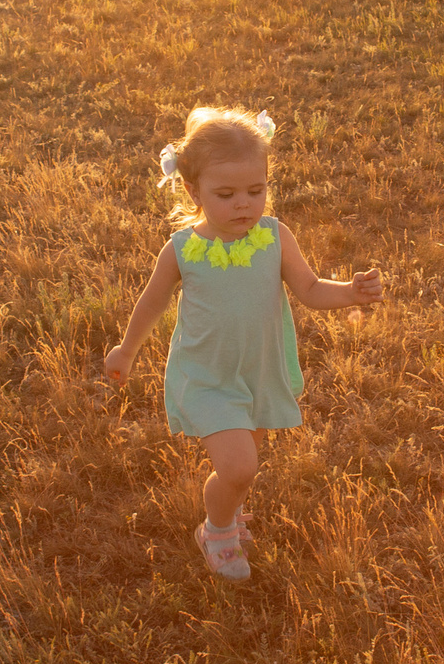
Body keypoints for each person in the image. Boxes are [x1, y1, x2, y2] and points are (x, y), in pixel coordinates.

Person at [102, 107, 384, 581]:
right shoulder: (181, 250)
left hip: (256, 372)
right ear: (194, 192)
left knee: (245, 464)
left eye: (256, 191)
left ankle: (228, 511)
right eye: (226, 194)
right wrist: (127, 350)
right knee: (238, 466)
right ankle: (216, 532)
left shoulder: (274, 238)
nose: (243, 205)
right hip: (207, 377)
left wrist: (350, 293)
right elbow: (151, 303)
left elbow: (311, 289)